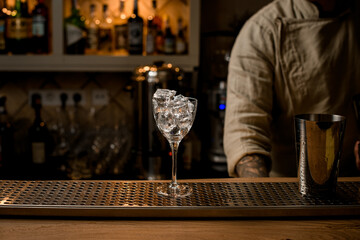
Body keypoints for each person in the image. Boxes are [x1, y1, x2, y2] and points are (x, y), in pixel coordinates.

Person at [224, 0, 360, 177]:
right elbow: (245, 132)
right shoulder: (261, 30)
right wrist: (259, 195)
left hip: (353, 181)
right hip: (285, 186)